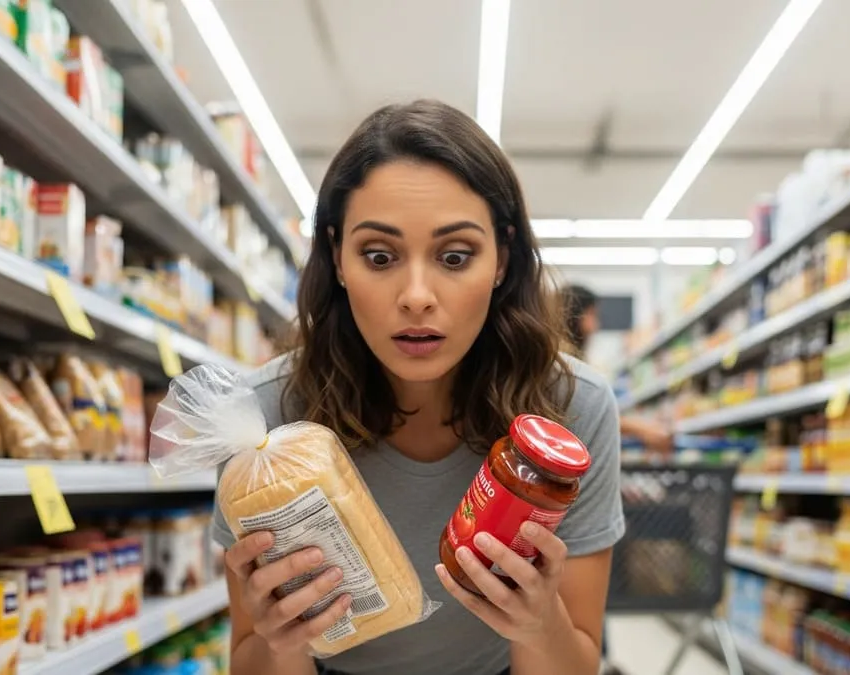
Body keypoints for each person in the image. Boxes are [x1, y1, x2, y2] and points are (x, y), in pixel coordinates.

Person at [212, 100, 624, 675]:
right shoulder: (265, 418)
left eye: (455, 256)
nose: (416, 296)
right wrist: (283, 641)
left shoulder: (571, 411)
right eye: (379, 256)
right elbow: (248, 659)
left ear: (502, 258)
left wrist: (539, 625)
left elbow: (577, 661)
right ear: (336, 256)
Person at [561, 283, 673, 453]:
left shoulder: (571, 360)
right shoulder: (564, 364)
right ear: (576, 315)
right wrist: (639, 429)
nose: (596, 326)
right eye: (593, 315)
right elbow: (582, 414)